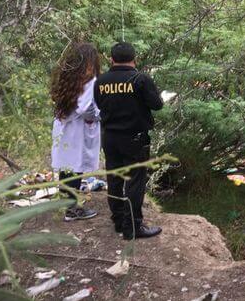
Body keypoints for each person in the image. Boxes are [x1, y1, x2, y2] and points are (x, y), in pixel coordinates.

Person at [94, 42, 164, 239]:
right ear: (135, 58)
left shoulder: (101, 81)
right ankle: (132, 227)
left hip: (109, 137)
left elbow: (99, 104)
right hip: (134, 138)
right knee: (135, 181)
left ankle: (118, 220)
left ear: (111, 59)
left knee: (114, 178)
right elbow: (157, 105)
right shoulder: (141, 79)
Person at [50, 42, 101, 221]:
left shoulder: (67, 77)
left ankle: (66, 205)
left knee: (67, 167)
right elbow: (85, 108)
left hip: (64, 127)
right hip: (77, 129)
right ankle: (72, 210)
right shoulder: (90, 82)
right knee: (75, 168)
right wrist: (99, 116)